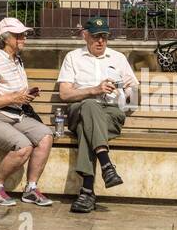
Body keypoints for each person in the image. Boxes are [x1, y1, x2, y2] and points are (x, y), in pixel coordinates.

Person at [58, 16, 140, 215]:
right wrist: (94, 90)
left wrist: (130, 92)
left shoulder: (118, 58)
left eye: (104, 36)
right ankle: (106, 164)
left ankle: (87, 192)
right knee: (89, 105)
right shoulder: (73, 57)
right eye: (95, 36)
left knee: (88, 129)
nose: (100, 41)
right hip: (79, 109)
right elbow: (65, 94)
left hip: (111, 114)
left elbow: (135, 97)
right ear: (85, 36)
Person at [0, 17, 54, 207]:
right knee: (23, 146)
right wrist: (13, 98)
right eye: (18, 35)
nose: (23, 38)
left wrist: (25, 95)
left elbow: (10, 93)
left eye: (24, 35)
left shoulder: (15, 60)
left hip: (15, 114)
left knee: (46, 136)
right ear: (5, 38)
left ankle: (31, 189)